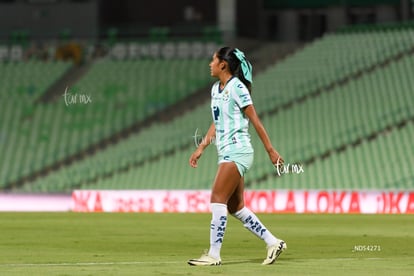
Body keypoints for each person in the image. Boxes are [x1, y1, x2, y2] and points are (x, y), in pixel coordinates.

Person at [187, 47, 287, 266]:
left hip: (238, 150)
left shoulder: (237, 87)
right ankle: (273, 242)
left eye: (213, 60)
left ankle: (214, 255)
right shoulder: (216, 89)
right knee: (236, 207)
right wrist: (201, 147)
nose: (210, 64)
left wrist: (271, 150)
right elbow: (218, 121)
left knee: (216, 199)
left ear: (223, 64)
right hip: (226, 152)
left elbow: (255, 120)